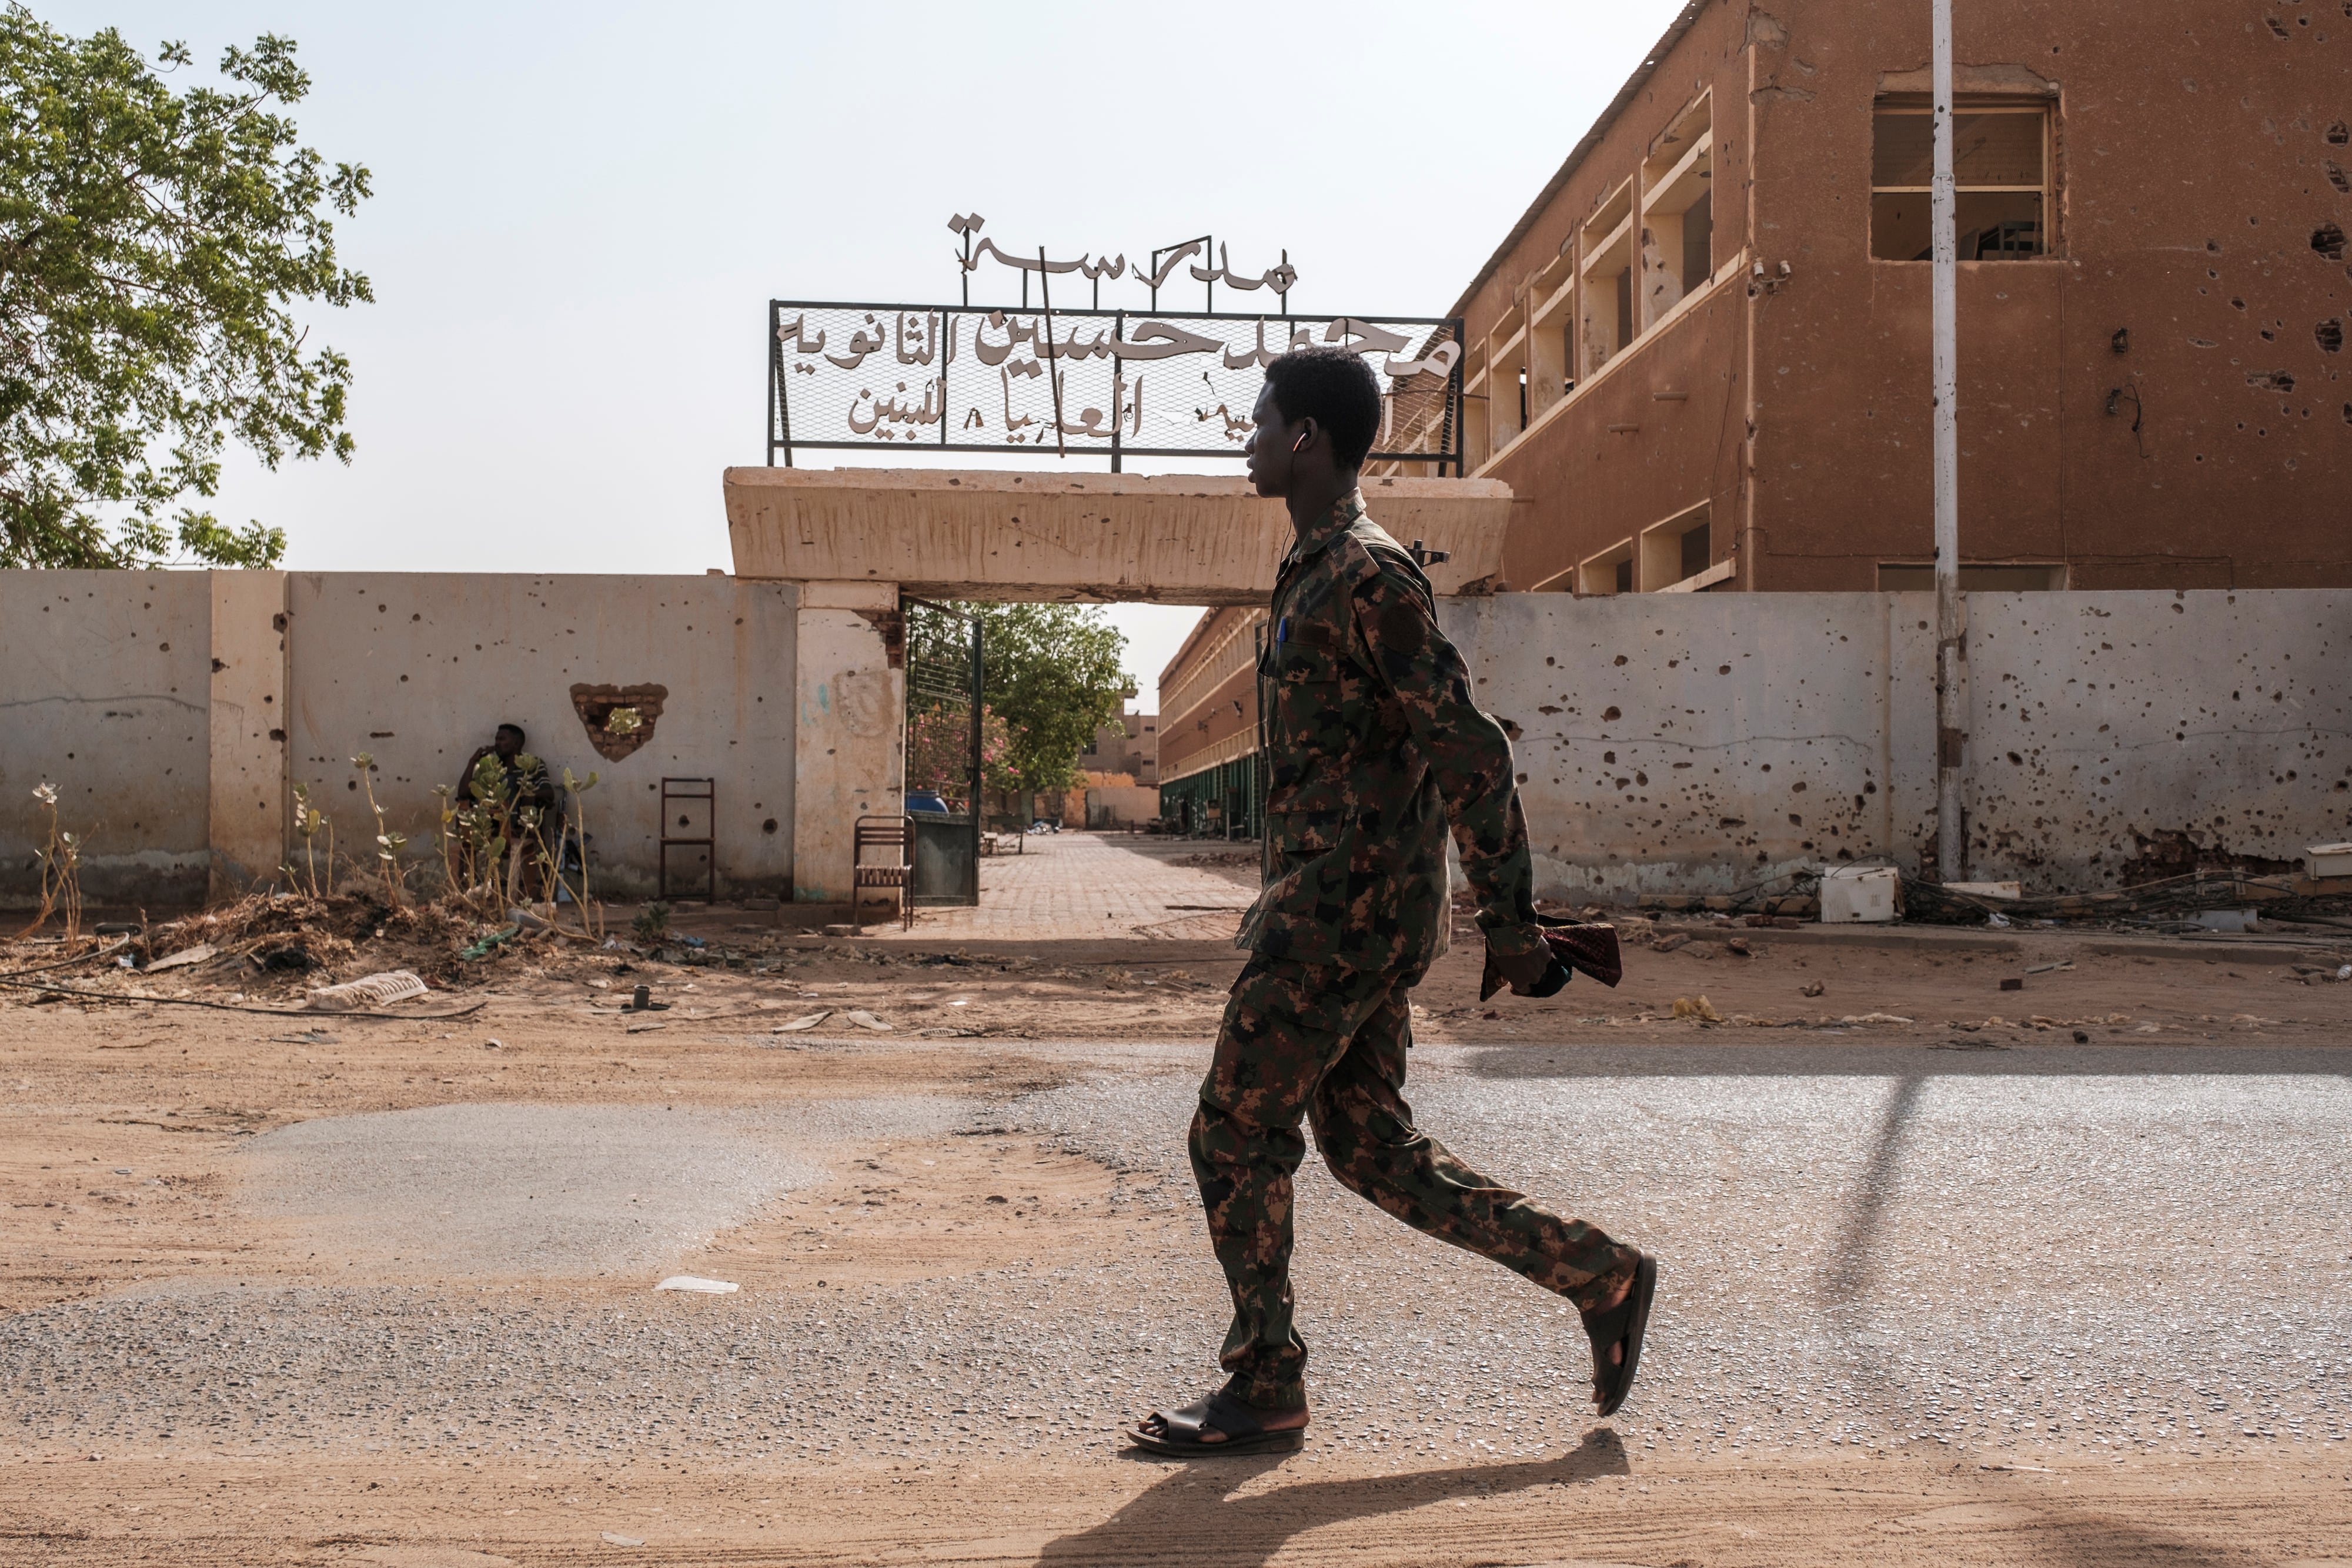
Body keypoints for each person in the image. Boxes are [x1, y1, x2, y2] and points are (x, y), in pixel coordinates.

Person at [1130, 346, 1659, 1456]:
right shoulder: (1315, 568)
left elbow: (1472, 752)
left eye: (1262, 420)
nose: (1251, 438)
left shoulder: (1369, 575)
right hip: (1344, 909)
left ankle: (1267, 1381)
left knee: (1234, 1128)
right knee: (1372, 1150)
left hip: (1343, 919)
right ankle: (1598, 1274)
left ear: (1308, 438)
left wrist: (1512, 923)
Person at [455, 723, 563, 884]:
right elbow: (463, 794)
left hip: (520, 826)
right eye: (496, 739)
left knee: (510, 782)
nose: (497, 743)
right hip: (488, 824)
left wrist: (528, 794)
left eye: (502, 739)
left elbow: (549, 793)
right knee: (483, 795)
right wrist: (473, 761)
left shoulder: (533, 764)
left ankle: (509, 829)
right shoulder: (490, 765)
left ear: (517, 744)